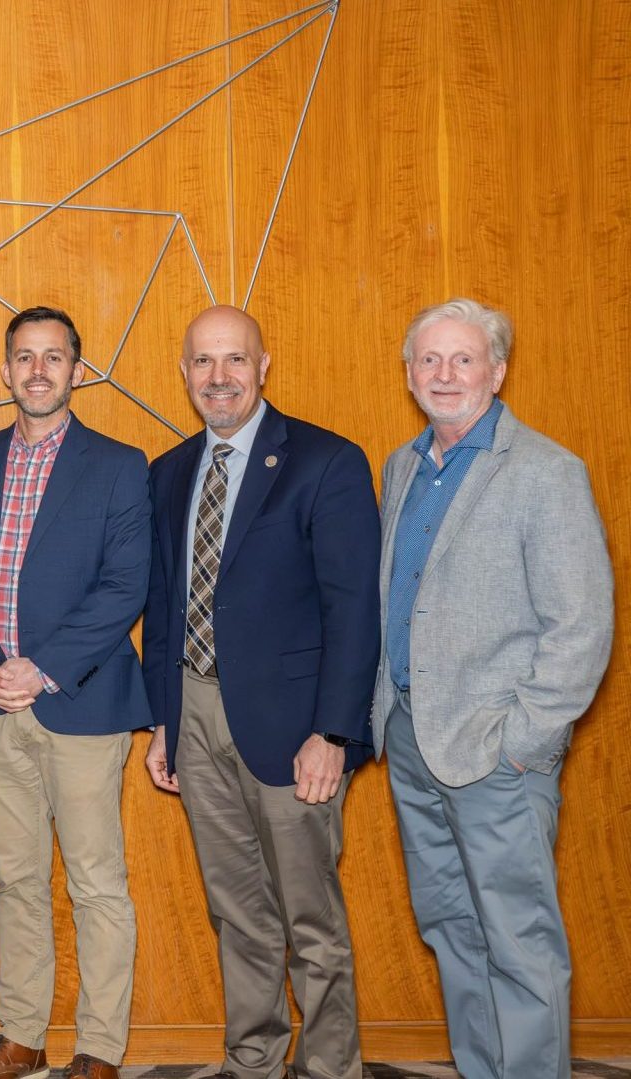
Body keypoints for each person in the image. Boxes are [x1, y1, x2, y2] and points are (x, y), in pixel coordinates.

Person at [372, 299, 611, 1079]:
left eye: (463, 359)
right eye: (430, 361)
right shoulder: (403, 466)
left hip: (498, 754)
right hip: (411, 739)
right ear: (409, 374)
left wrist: (525, 741)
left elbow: (581, 627)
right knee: (451, 928)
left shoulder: (546, 470)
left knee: (518, 938)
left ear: (498, 371)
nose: (445, 375)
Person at [141, 305, 379, 1079]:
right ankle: (253, 1060)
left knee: (311, 918)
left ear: (264, 365)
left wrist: (335, 732)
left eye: (235, 360)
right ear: (184, 374)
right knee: (237, 911)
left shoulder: (325, 460)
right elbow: (163, 606)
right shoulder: (170, 471)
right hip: (197, 712)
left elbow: (353, 606)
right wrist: (163, 722)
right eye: (204, 362)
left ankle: (331, 1066)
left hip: (293, 727)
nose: (220, 377)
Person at [0, 308, 151, 1079]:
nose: (38, 371)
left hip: (81, 700)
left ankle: (99, 1047)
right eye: (24, 357)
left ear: (78, 369)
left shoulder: (118, 463)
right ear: (5, 370)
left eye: (54, 357)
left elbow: (125, 585)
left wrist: (42, 666)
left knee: (98, 881)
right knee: (16, 875)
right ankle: (22, 1034)